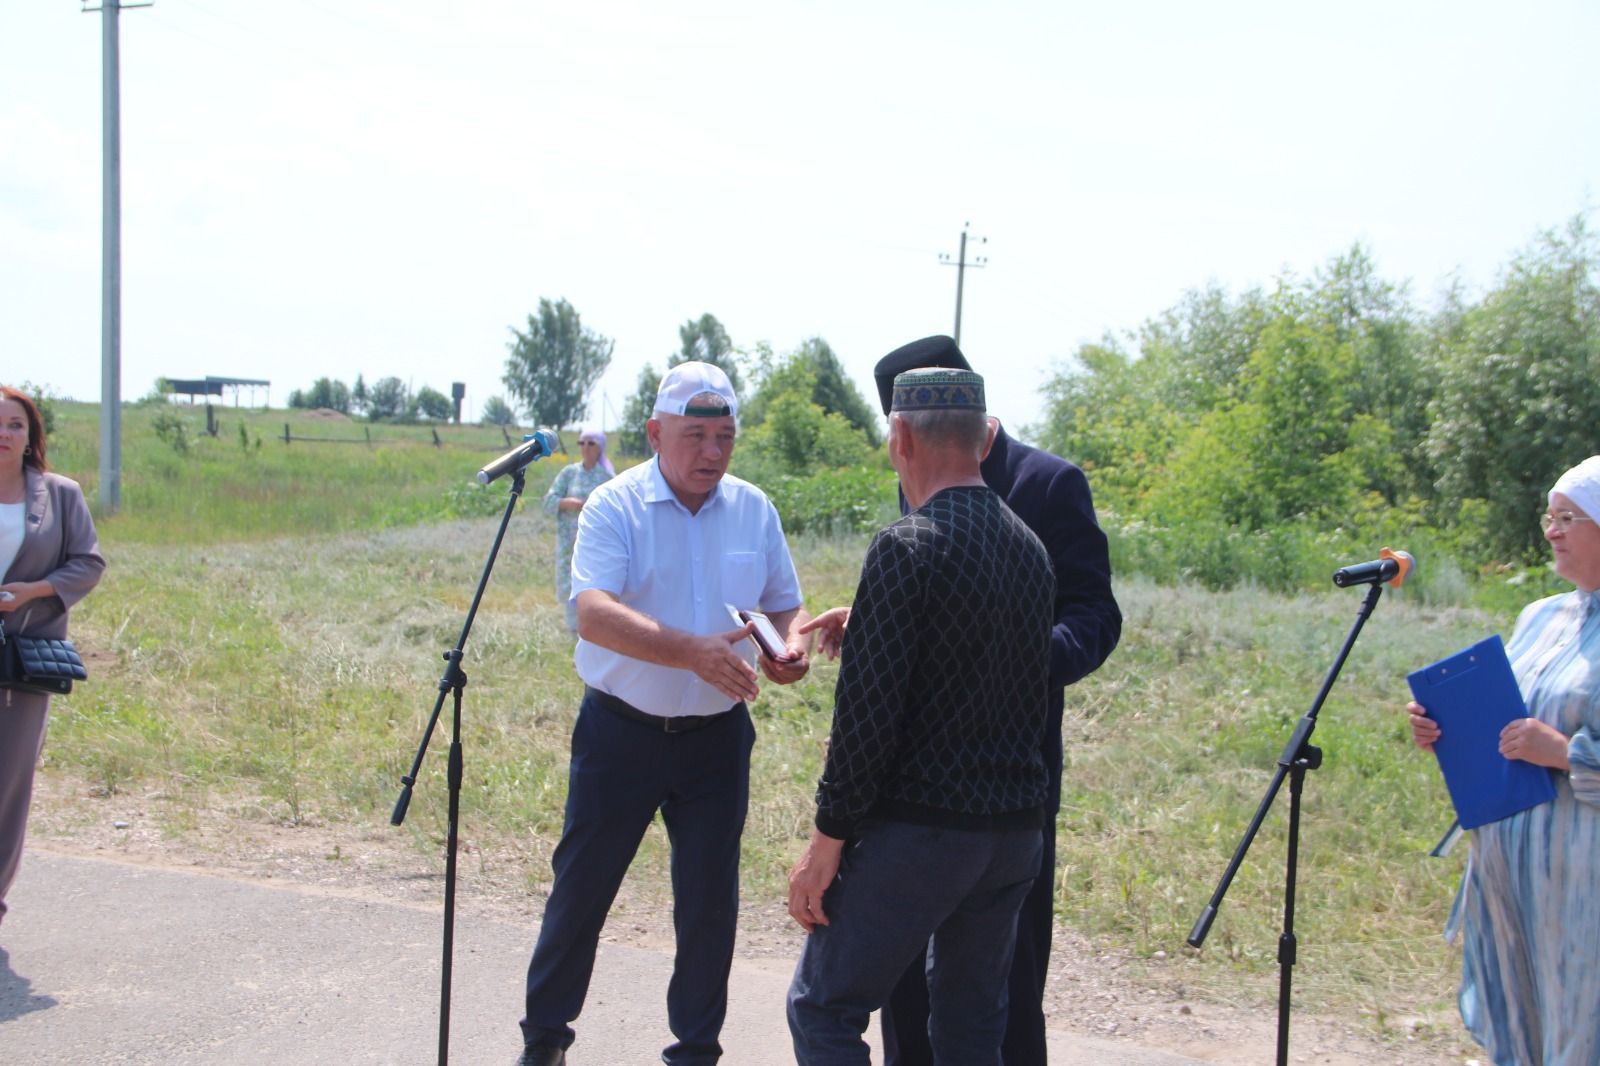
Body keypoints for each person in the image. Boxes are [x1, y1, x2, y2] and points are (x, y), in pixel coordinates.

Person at [809, 335, 1117, 1066]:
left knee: (995, 1000)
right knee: (917, 1001)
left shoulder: (1048, 487)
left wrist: (1006, 655)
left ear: (909, 431)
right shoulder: (940, 503)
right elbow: (936, 608)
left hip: (1000, 780)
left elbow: (1095, 618)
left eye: (895, 433)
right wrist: (876, 622)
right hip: (947, 796)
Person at [515, 362, 812, 1066]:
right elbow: (592, 613)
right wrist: (690, 653)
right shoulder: (614, 505)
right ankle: (544, 1041)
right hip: (622, 732)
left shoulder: (753, 508)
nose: (713, 452)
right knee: (582, 892)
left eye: (725, 436)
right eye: (696, 435)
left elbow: (783, 603)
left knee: (709, 905)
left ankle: (696, 1050)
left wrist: (789, 646)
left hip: (715, 739)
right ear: (655, 433)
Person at [1405, 456, 1600, 1066]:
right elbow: (1507, 715)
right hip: (1511, 872)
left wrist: (1564, 754)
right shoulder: (1539, 617)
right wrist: (1444, 727)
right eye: (1549, 516)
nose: (1552, 530)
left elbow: (1549, 740)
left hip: (1584, 883)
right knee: (1523, 1025)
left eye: (1569, 517)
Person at [0, 386, 106, 926]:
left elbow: (88, 564)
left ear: (30, 435)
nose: (3, 433)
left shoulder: (60, 495)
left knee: (7, 788)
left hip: (18, 667)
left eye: (14, 424)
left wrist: (33, 591)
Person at [541, 428, 614, 632]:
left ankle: (594, 626)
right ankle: (573, 630)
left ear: (600, 447)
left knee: (593, 582)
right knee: (569, 581)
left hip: (595, 543)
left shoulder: (606, 477)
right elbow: (548, 502)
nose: (586, 448)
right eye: (582, 443)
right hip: (568, 542)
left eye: (591, 443)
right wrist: (567, 503)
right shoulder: (569, 473)